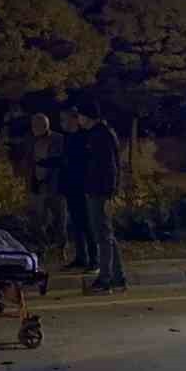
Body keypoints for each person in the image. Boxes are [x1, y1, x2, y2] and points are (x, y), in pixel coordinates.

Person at [75, 101, 126, 294]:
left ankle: (106, 280)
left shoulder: (100, 135)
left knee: (103, 236)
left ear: (87, 116)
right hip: (99, 190)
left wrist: (108, 192)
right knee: (107, 235)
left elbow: (109, 167)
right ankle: (118, 277)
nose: (78, 119)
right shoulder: (100, 133)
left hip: (100, 192)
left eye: (79, 115)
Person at [58, 108, 95, 271]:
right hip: (71, 186)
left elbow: (84, 162)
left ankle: (94, 259)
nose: (62, 123)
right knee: (77, 224)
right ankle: (82, 257)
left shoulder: (83, 137)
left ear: (74, 120)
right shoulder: (69, 138)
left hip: (82, 186)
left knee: (87, 223)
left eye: (64, 120)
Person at [25, 113, 68, 253]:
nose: (34, 128)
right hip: (37, 185)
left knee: (59, 219)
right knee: (37, 219)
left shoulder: (58, 139)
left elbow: (59, 162)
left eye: (38, 125)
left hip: (54, 186)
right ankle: (42, 246)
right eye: (33, 125)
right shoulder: (31, 140)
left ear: (46, 125)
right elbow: (29, 161)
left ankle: (61, 247)